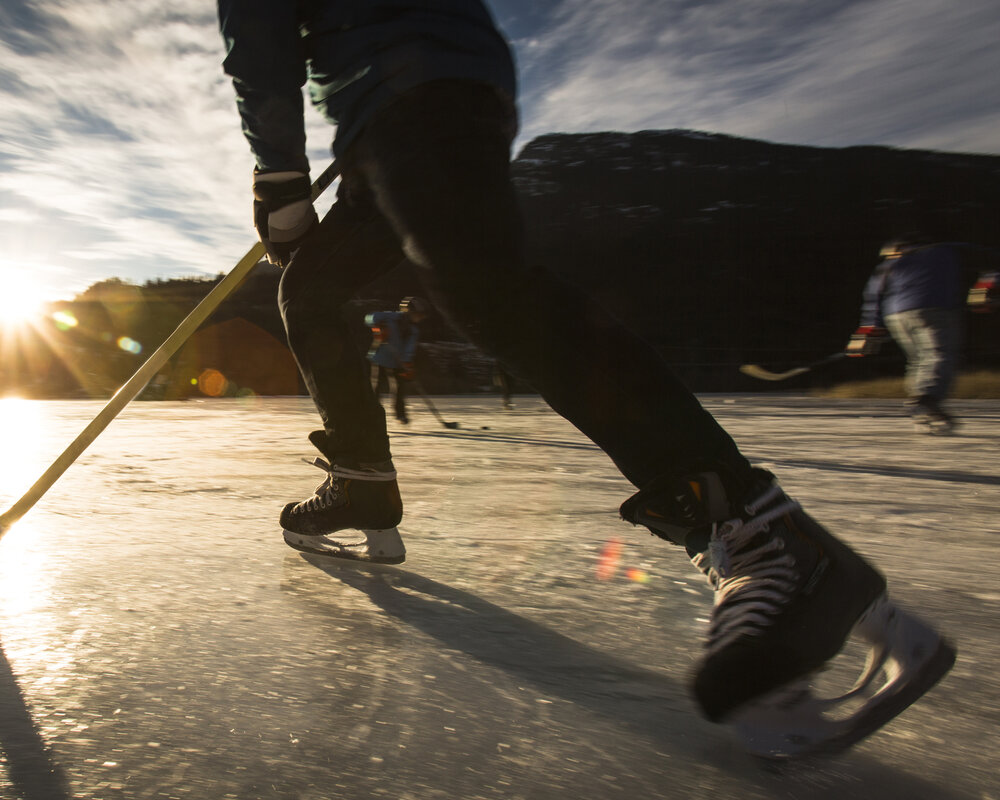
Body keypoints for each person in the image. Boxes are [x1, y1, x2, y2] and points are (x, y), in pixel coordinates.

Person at [217, 0, 954, 755]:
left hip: (414, 83)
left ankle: (758, 530)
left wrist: (278, 173)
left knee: (481, 287)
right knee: (310, 288)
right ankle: (362, 477)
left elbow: (257, 29)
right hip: (405, 95)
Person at [847, 234, 995, 433]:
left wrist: (868, 329)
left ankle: (921, 404)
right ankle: (928, 401)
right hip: (935, 309)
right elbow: (992, 258)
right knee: (939, 355)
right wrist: (986, 288)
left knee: (918, 359)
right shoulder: (947, 248)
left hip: (896, 315)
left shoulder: (891, 264)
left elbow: (874, 296)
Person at [365, 296, 429, 424]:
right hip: (380, 357)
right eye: (418, 314)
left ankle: (400, 414)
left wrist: (407, 363)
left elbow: (409, 348)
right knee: (377, 386)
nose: (420, 318)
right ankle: (372, 412)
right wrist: (379, 327)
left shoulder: (413, 330)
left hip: (397, 361)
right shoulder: (390, 317)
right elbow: (369, 318)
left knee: (399, 387)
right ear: (408, 311)